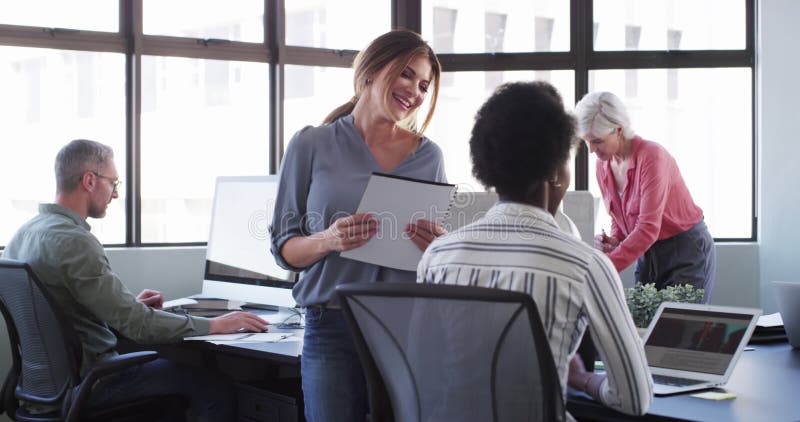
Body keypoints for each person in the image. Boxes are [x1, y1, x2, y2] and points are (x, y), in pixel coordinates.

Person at [417, 81, 653, 418]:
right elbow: (635, 397)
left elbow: (423, 370)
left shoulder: (438, 255)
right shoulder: (585, 265)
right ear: (557, 172)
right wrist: (583, 379)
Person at [2, 139, 269, 421]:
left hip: (42, 389)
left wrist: (128, 305)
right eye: (113, 184)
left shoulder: (22, 236)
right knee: (215, 387)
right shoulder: (75, 242)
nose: (115, 195)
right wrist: (215, 324)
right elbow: (139, 326)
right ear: (89, 180)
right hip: (92, 384)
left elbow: (61, 315)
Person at [270, 29, 445, 422]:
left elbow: (433, 260)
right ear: (370, 71)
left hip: (402, 327)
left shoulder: (429, 156)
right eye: (407, 75)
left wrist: (439, 244)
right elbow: (284, 250)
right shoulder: (311, 143)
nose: (415, 93)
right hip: (330, 324)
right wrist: (329, 240)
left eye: (423, 85)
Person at [574, 91, 716, 303]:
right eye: (586, 141)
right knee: (643, 326)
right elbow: (619, 216)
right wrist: (614, 240)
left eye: (597, 141)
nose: (591, 150)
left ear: (619, 130)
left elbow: (648, 227)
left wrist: (603, 268)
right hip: (648, 252)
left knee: (678, 328)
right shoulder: (603, 165)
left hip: (685, 249)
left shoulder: (652, 157)